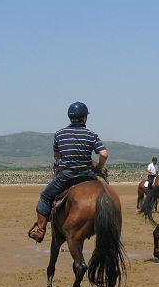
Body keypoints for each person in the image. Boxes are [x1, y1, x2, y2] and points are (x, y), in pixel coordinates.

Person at [27, 101, 108, 242]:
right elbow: (104, 154)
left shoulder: (59, 134)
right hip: (87, 175)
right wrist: (98, 168)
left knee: (45, 196)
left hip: (66, 176)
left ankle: (40, 230)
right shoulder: (91, 135)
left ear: (70, 117)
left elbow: (57, 158)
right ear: (85, 118)